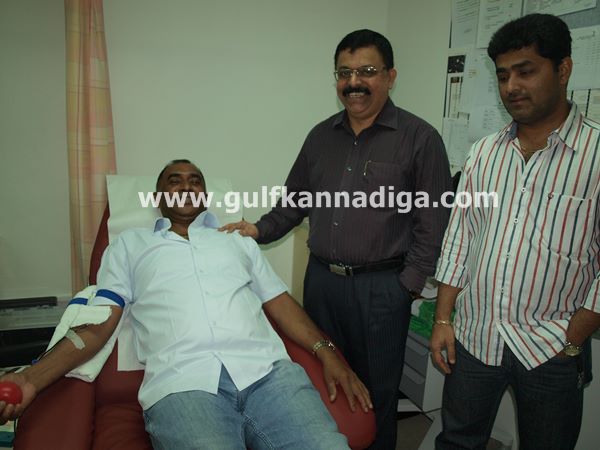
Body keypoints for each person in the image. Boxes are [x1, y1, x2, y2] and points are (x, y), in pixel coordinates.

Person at [0, 160, 373, 450]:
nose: (186, 186)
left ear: (205, 196)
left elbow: (279, 301)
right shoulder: (130, 245)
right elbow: (100, 324)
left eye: (195, 180)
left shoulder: (237, 242)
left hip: (269, 376)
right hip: (183, 386)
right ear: (158, 197)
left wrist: (326, 352)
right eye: (174, 180)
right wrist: (31, 378)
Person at [222, 30, 452, 448]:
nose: (353, 82)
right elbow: (293, 203)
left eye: (367, 71)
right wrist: (257, 229)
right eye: (344, 73)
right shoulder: (320, 137)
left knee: (377, 394)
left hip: (382, 290)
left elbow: (433, 224)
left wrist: (406, 287)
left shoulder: (420, 139)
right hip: (322, 285)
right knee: (321, 382)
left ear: (390, 76)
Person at [431, 14, 600, 450]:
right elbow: (461, 237)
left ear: (563, 69)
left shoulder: (596, 154)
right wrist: (444, 318)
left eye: (526, 71)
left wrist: (576, 333)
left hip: (552, 347)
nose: (512, 87)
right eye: (504, 75)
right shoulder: (484, 154)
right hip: (475, 337)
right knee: (457, 440)